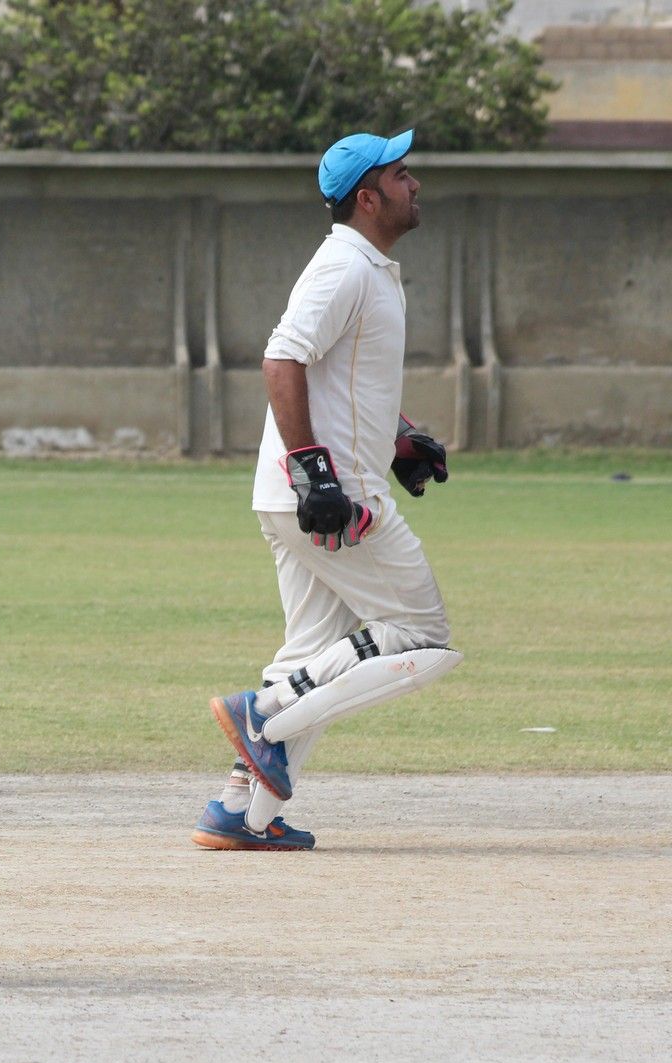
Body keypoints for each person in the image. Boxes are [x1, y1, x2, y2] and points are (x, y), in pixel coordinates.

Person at [191, 129, 459, 851]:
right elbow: (283, 359)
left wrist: (399, 439)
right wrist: (315, 472)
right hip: (332, 500)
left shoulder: (368, 267)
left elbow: (343, 379)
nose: (415, 184)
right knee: (422, 633)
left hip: (307, 494)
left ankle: (240, 812)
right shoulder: (344, 267)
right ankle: (264, 710)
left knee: (314, 651)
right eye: (401, 176)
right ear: (367, 198)